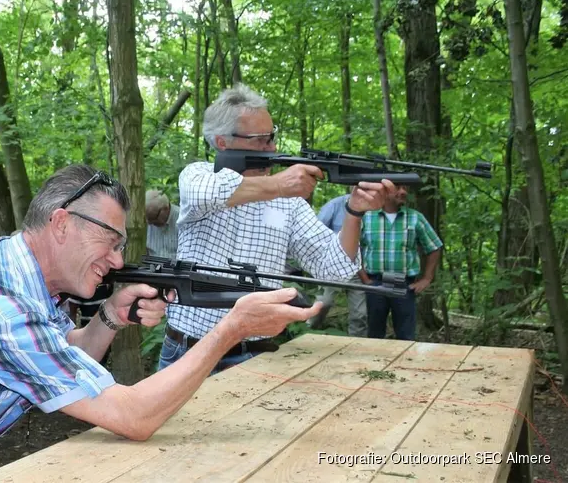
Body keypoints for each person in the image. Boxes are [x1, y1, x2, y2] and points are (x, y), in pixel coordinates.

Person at [0, 164, 323, 483]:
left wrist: (108, 316)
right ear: (61, 223)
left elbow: (59, 355)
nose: (119, 258)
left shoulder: (12, 262)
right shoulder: (3, 307)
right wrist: (228, 330)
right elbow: (134, 418)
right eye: (112, 240)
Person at [158, 83, 394, 373]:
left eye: (273, 137)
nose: (272, 147)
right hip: (189, 351)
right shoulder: (198, 175)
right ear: (222, 142)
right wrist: (281, 184)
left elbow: (334, 267)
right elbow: (206, 193)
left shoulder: (289, 204)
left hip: (258, 355)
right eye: (262, 139)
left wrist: (355, 211)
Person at [358, 185, 443, 341]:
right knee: (374, 333)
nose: (403, 192)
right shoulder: (367, 217)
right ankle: (373, 364)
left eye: (405, 188)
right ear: (384, 191)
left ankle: (404, 364)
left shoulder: (415, 217)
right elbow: (352, 248)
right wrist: (365, 279)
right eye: (397, 188)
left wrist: (427, 278)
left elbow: (435, 246)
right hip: (375, 282)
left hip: (404, 283)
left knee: (406, 334)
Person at [306, 191, 368, 337]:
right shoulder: (334, 205)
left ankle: (357, 344)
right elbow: (315, 231)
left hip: (358, 269)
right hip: (333, 268)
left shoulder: (374, 209)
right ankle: (306, 334)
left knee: (360, 314)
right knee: (323, 304)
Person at [145, 189, 179, 259]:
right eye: (148, 219)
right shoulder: (146, 223)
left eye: (153, 218)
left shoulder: (182, 219)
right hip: (151, 267)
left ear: (165, 208)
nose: (150, 223)